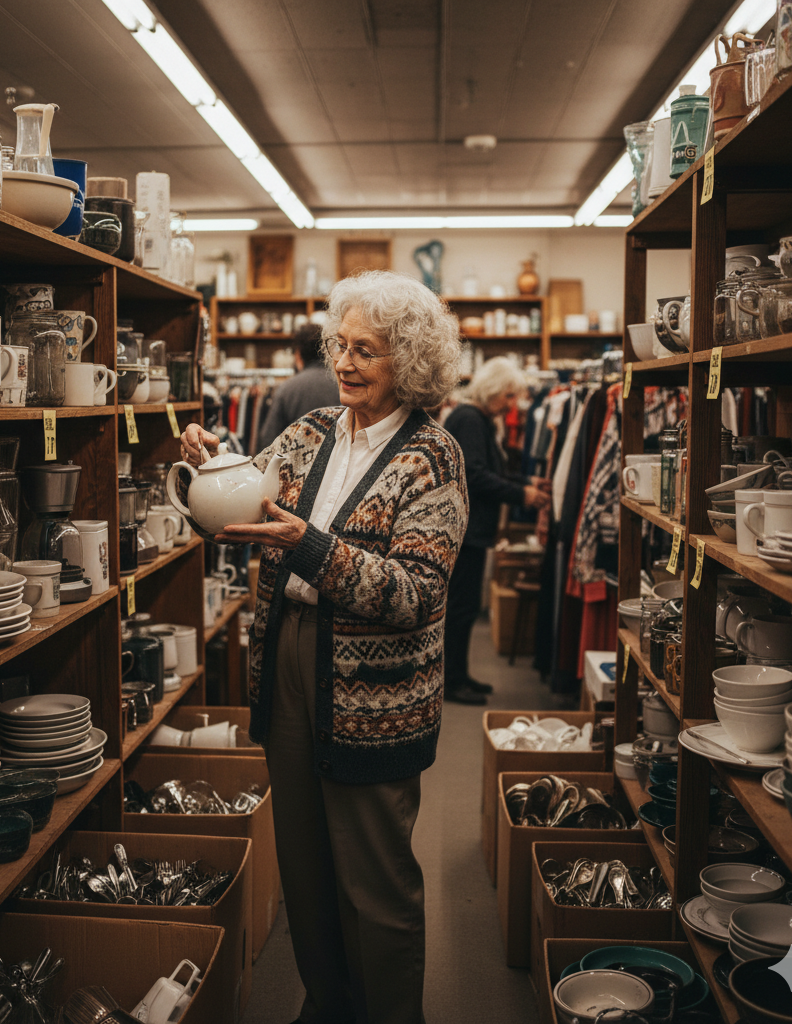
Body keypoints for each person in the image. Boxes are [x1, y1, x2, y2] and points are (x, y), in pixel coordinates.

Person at [180, 270, 467, 1024]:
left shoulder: (432, 457)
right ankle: (329, 1006)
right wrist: (215, 458)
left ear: (406, 362)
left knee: (375, 887)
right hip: (289, 665)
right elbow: (246, 495)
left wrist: (309, 546)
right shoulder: (309, 433)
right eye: (338, 344)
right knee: (305, 874)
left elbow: (414, 595)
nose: (342, 363)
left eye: (364, 350)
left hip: (375, 698)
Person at [442, 357, 551, 705]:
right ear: (491, 391)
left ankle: (460, 676)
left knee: (466, 607)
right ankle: (452, 682)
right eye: (507, 397)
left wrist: (527, 481)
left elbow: (491, 470)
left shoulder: (474, 418)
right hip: (465, 531)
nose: (510, 405)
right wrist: (523, 494)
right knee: (461, 608)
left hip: (469, 530)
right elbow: (474, 475)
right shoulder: (471, 420)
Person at [257, 323, 339, 449]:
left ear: (298, 354)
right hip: (338, 463)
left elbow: (268, 440)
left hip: (296, 465)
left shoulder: (287, 389)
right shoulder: (343, 385)